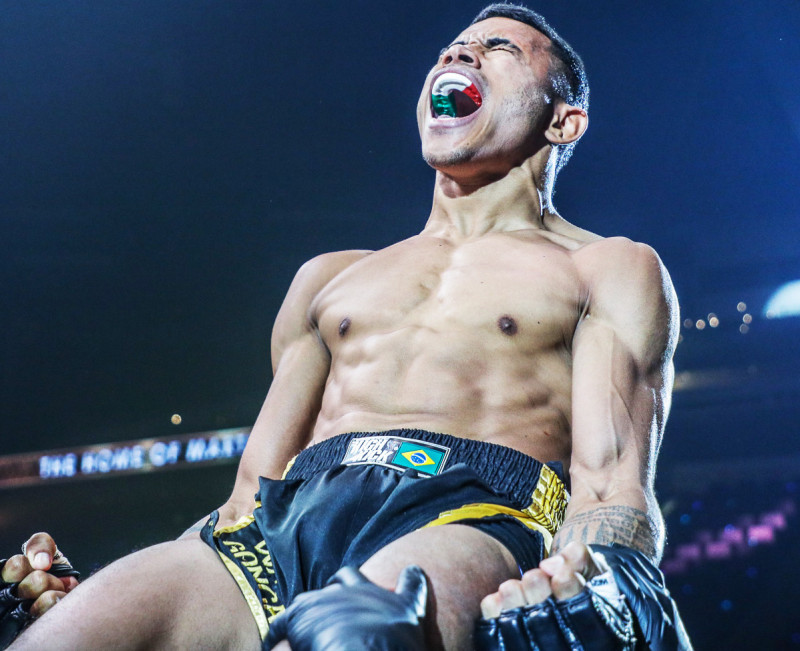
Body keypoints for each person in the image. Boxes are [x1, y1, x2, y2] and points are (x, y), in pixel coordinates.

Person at [2, 4, 690, 649]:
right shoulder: (329, 277)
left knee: (353, 631)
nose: (461, 54)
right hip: (282, 522)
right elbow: (249, 496)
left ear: (563, 121)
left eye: (498, 48)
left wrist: (606, 584)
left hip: (470, 513)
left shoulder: (604, 267)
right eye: (453, 49)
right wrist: (121, 598)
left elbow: (610, 485)